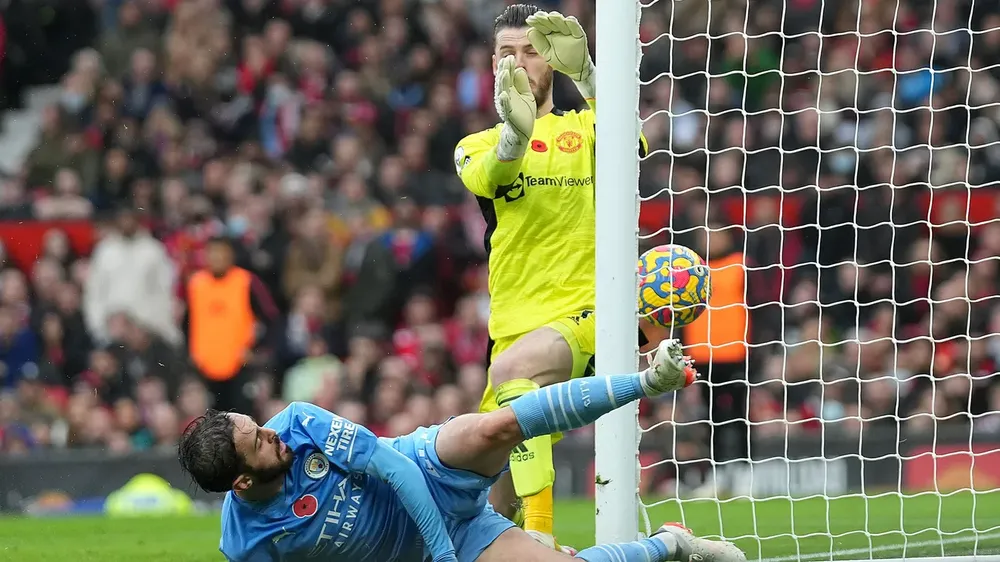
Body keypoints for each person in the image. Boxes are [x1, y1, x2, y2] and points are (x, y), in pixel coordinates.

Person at [177, 340, 745, 562]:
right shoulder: (247, 544)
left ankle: (648, 381)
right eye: (258, 442)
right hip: (436, 551)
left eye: (258, 425)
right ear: (242, 483)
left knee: (491, 430)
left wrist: (443, 556)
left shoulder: (299, 423)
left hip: (427, 471)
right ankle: (673, 544)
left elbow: (395, 469)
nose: (272, 433)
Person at [453, 5, 659, 548]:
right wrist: (515, 136)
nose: (517, 62)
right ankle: (524, 544)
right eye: (505, 53)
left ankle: (545, 539)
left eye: (530, 51)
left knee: (514, 371)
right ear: (491, 64)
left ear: (551, 59)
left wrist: (590, 76)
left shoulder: (588, 128)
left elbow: (633, 143)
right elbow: (493, 173)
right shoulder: (473, 144)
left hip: (588, 314)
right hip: (513, 331)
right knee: (485, 503)